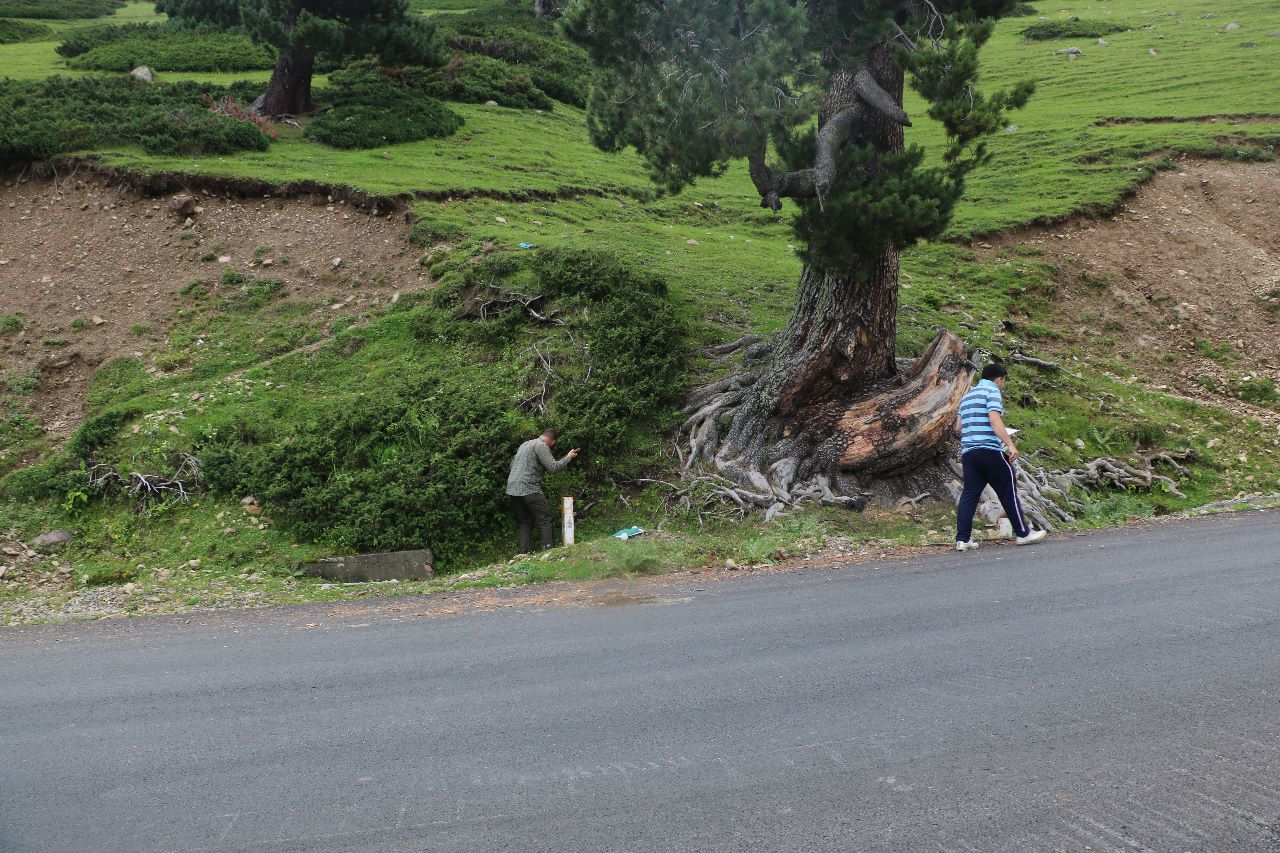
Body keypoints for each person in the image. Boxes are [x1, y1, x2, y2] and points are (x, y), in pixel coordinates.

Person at [955, 364, 1047, 551]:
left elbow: (958, 427)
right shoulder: (992, 391)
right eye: (1003, 381)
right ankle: (1023, 533)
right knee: (1008, 488)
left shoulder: (966, 397)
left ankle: (962, 539)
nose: (1002, 386)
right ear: (999, 379)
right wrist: (1010, 444)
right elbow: (994, 419)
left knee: (970, 494)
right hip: (989, 450)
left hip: (969, 453)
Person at [506, 428, 579, 553]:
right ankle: (549, 551)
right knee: (545, 519)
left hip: (512, 488)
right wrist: (568, 457)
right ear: (553, 442)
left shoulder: (525, 444)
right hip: (528, 487)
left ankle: (523, 552)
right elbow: (553, 467)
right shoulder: (542, 446)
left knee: (525, 520)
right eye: (553, 445)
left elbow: (512, 465)